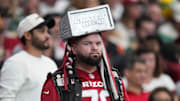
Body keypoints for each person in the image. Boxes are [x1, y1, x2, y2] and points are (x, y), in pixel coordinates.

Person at [41, 5, 128, 101]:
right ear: (73, 48)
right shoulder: (58, 82)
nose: (95, 48)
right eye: (87, 44)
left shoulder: (114, 79)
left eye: (98, 43)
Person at [0, 13, 58, 101]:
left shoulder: (51, 63)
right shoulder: (15, 63)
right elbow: (5, 98)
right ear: (27, 35)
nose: (47, 36)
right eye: (42, 31)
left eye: (47, 31)